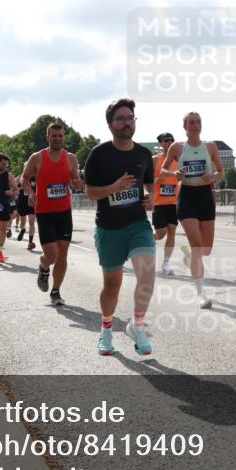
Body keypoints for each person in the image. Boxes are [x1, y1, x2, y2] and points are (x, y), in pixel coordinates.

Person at [84, 99, 156, 356]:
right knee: (112, 285)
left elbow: (150, 185)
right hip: (109, 227)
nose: (127, 122)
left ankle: (137, 326)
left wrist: (151, 198)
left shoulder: (143, 154)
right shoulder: (99, 154)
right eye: (121, 118)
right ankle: (106, 330)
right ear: (110, 124)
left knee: (147, 275)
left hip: (138, 224)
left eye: (130, 117)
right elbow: (90, 192)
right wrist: (113, 188)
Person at [160, 112, 225, 308]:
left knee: (205, 249)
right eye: (191, 122)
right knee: (197, 245)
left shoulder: (211, 146)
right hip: (187, 196)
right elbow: (163, 170)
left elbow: (221, 172)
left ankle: (190, 256)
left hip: (205, 196)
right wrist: (175, 173)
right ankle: (201, 293)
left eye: (198, 122)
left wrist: (212, 177)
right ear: (185, 126)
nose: (195, 125)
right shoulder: (177, 147)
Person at [22, 123, 84, 305]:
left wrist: (77, 183)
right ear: (47, 136)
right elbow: (24, 178)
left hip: (64, 211)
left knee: (63, 253)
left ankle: (56, 292)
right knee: (51, 255)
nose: (57, 139)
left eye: (60, 136)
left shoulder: (71, 158)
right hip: (44, 211)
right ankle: (43, 265)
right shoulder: (37, 157)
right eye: (54, 135)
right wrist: (31, 193)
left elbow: (74, 180)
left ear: (64, 137)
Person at [152, 132, 181, 276]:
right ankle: (140, 241)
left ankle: (166, 263)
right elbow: (148, 180)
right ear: (160, 143)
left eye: (171, 140)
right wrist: (158, 180)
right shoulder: (155, 160)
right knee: (160, 234)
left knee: (172, 232)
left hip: (173, 202)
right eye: (165, 140)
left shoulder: (179, 159)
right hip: (159, 203)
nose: (169, 142)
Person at [16, 174, 37, 250]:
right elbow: (16, 189)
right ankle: (22, 230)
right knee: (23, 221)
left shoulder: (36, 178)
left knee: (32, 221)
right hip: (22, 202)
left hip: (31, 202)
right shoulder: (20, 178)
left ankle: (30, 241)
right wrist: (24, 187)